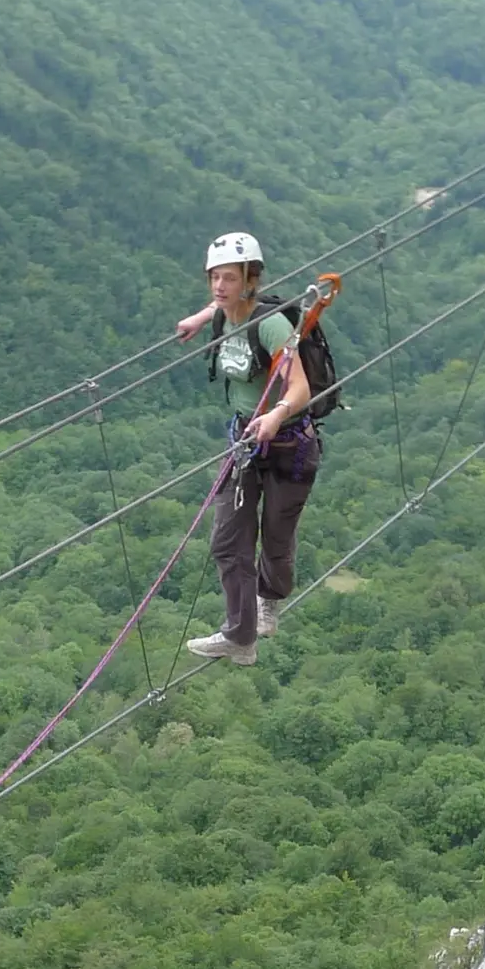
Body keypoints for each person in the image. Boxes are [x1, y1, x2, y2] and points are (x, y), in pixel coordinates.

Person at [172, 231, 321, 667]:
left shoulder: (272, 326)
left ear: (250, 280)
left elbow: (300, 387)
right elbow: (223, 307)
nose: (219, 286)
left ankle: (269, 600)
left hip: (288, 445)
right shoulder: (223, 315)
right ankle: (240, 636)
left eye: (230, 278)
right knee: (227, 541)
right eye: (214, 278)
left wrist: (275, 415)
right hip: (243, 442)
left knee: (275, 539)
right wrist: (200, 318)